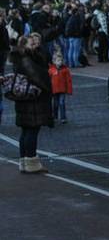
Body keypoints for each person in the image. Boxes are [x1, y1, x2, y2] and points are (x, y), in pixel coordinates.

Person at [11, 33, 52, 173]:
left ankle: (24, 161)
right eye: (31, 43)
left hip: (24, 100)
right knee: (31, 130)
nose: (34, 45)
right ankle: (31, 162)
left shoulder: (22, 58)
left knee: (25, 131)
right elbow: (38, 77)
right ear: (24, 45)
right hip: (32, 100)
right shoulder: (26, 59)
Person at [49, 48, 72, 124]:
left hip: (62, 89)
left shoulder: (65, 70)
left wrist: (69, 90)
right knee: (55, 104)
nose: (60, 62)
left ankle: (63, 117)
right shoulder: (51, 70)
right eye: (58, 61)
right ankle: (55, 116)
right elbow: (49, 80)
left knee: (62, 103)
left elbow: (68, 81)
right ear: (54, 61)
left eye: (61, 60)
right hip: (54, 90)